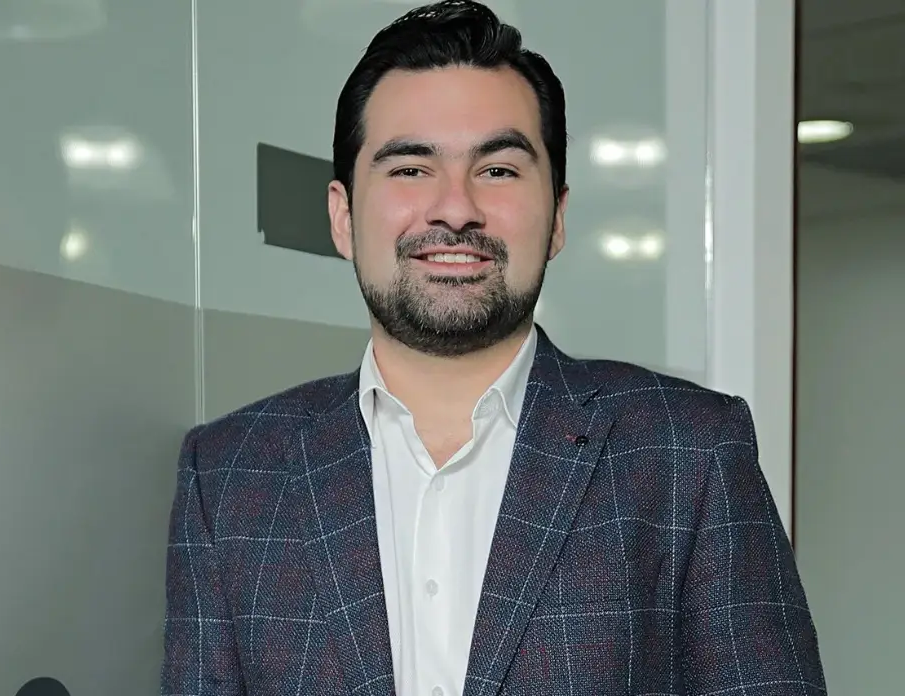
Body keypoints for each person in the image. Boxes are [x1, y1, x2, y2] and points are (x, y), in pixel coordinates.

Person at [160, 1, 826, 694]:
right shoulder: (229, 474)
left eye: (499, 170)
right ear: (343, 216)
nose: (455, 209)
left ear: (558, 216)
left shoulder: (689, 451)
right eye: (410, 169)